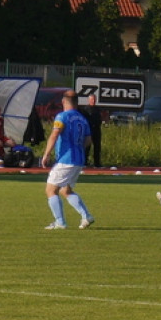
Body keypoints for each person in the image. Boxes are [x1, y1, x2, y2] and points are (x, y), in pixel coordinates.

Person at [40, 89, 95, 230]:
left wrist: (46, 154)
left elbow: (54, 135)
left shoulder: (62, 117)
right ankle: (86, 216)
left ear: (63, 101)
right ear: (76, 103)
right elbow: (88, 140)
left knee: (50, 190)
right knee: (66, 190)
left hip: (66, 159)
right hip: (78, 160)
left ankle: (60, 222)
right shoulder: (83, 119)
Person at [83, 93, 104, 167]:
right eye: (92, 99)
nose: (93, 101)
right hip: (89, 130)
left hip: (97, 130)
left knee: (97, 147)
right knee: (87, 147)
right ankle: (85, 162)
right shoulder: (85, 110)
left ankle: (97, 163)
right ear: (89, 100)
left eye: (94, 99)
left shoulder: (98, 109)